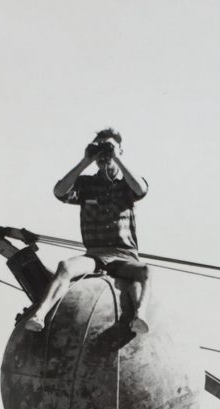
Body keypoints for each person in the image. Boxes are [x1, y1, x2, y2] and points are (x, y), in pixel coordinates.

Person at [24, 127, 151, 334]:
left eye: (109, 149)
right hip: (95, 255)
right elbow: (59, 192)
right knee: (65, 267)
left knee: (145, 272)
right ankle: (40, 314)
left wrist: (116, 158)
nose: (105, 155)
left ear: (120, 151)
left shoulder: (126, 183)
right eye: (101, 150)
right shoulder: (86, 184)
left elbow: (140, 189)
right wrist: (86, 161)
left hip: (124, 256)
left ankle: (140, 317)